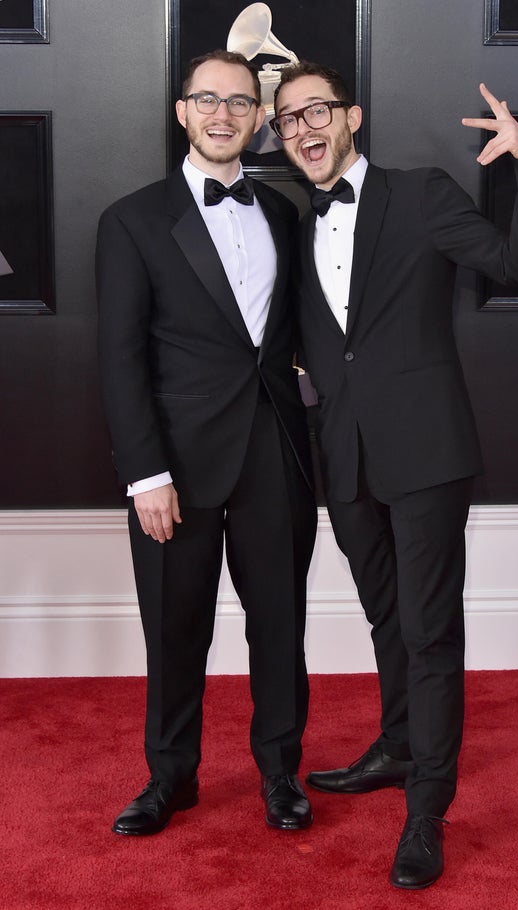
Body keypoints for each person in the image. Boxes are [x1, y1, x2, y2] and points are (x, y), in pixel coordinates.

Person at [271, 63, 518, 888]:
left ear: (351, 116)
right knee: (386, 622)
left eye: (316, 110)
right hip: (347, 454)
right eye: (287, 120)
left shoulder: (422, 193)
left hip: (427, 454)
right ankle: (398, 747)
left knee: (429, 633)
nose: (302, 127)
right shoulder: (295, 224)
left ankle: (426, 810)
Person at [96, 49, 317, 837]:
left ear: (258, 120)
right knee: (174, 625)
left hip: (275, 451)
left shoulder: (286, 215)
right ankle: (170, 779)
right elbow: (120, 359)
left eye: (239, 102)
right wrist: (144, 472)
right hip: (175, 466)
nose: (223, 114)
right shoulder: (131, 219)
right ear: (182, 112)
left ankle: (281, 774)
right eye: (206, 100)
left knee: (279, 624)